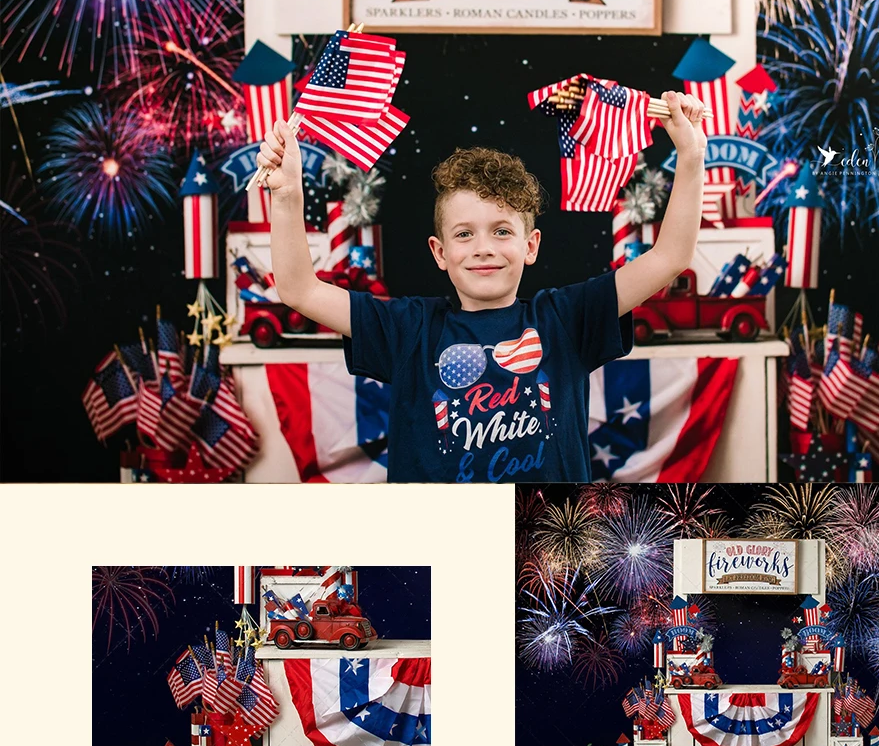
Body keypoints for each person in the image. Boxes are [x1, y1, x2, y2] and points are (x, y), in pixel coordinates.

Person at [258, 89, 706, 482]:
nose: (483, 248)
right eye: (464, 234)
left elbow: (669, 257)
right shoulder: (409, 328)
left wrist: (691, 157)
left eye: (502, 231)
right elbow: (300, 289)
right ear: (439, 252)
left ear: (531, 246)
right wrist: (288, 195)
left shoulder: (567, 319)